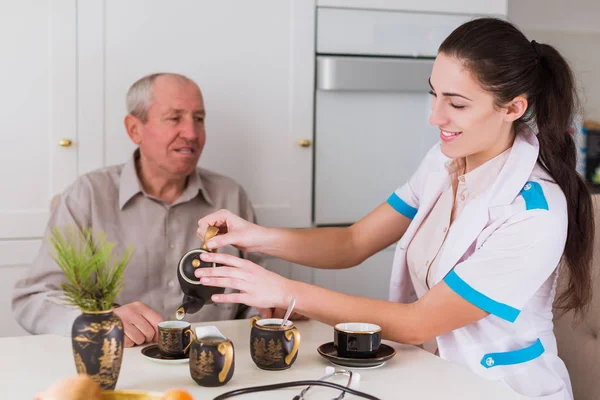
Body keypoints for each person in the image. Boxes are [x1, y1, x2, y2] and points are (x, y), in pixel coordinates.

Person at [192, 18, 593, 399]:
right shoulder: (444, 162)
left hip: (497, 389)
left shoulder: (532, 214)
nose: (435, 116)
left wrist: (286, 291)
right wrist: (254, 236)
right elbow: (353, 242)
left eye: (456, 103)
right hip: (430, 376)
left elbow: (419, 321)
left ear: (513, 108)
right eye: (434, 93)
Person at [12, 73, 264, 347]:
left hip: (216, 365)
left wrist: (270, 308)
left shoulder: (231, 195)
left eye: (199, 119)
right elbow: (34, 298)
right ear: (134, 129)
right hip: (120, 369)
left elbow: (255, 298)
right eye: (174, 118)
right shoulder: (88, 195)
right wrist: (101, 321)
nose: (192, 133)